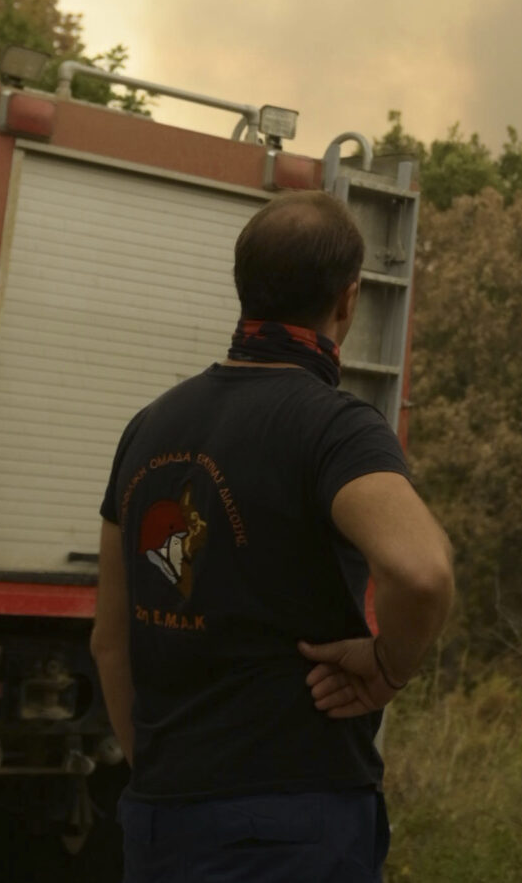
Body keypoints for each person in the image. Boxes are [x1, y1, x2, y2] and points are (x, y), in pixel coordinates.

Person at [91, 190, 457, 883]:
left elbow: (110, 641)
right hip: (293, 821)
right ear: (347, 301)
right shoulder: (334, 429)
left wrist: (161, 775)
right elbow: (424, 571)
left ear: (243, 287)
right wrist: (388, 666)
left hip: (161, 818)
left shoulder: (148, 426)